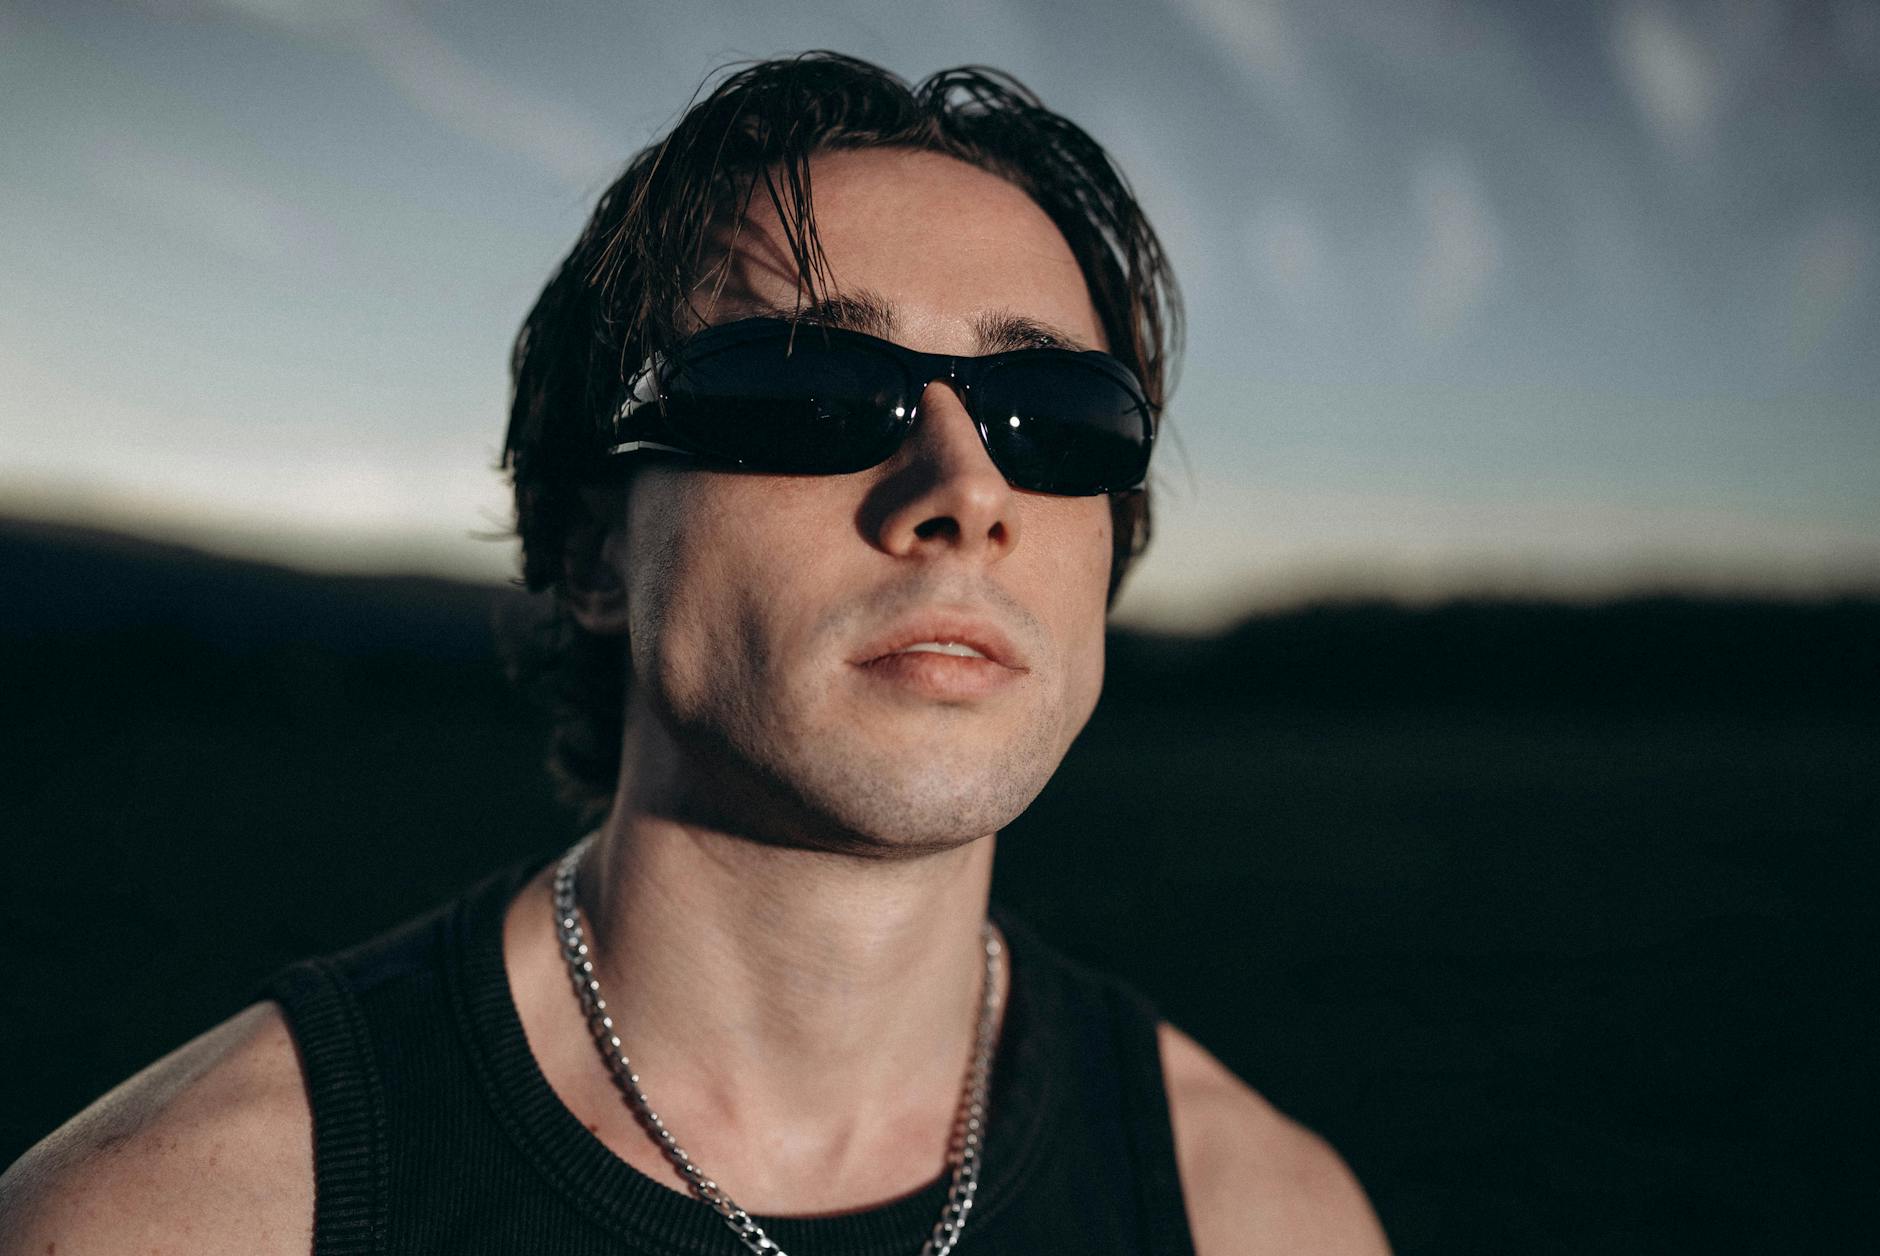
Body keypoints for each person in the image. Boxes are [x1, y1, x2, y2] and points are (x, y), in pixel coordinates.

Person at [0, 54, 1388, 1255]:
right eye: (809, 387)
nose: (965, 489)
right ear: (595, 550)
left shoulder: (1269, 1218)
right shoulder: (179, 1218)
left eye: (1062, 416)